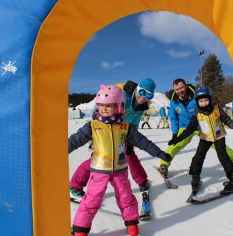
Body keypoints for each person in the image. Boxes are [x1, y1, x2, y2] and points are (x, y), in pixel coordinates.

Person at [69, 85, 171, 236]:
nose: (104, 109)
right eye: (101, 105)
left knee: (126, 198)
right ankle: (80, 229)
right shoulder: (92, 125)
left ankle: (132, 224)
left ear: (119, 107)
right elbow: (74, 141)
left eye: (108, 106)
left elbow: (143, 142)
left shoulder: (125, 127)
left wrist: (159, 153)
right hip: (98, 171)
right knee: (91, 201)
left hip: (120, 171)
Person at [69, 78, 157, 200]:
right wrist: (98, 126)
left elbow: (135, 123)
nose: (143, 97)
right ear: (137, 89)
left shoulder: (142, 107)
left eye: (148, 95)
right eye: (142, 92)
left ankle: (142, 181)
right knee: (99, 160)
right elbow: (102, 103)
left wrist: (132, 137)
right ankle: (75, 186)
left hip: (123, 131)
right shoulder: (123, 94)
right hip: (106, 127)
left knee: (130, 155)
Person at [158, 79, 233, 179]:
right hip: (186, 127)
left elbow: (209, 103)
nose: (180, 91)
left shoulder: (196, 95)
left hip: (203, 124)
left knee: (218, 144)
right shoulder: (174, 102)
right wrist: (175, 133)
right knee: (176, 144)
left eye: (181, 88)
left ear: (185, 86)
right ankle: (164, 164)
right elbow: (173, 119)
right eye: (177, 89)